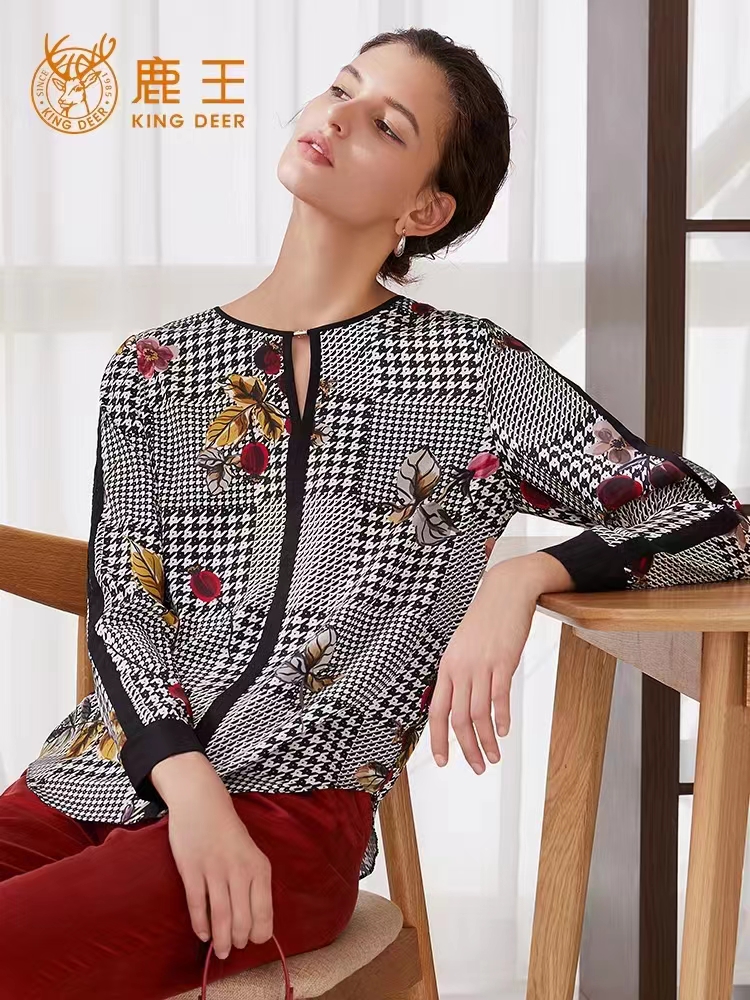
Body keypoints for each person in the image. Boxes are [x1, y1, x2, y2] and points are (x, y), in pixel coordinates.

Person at [2, 26, 748, 1000]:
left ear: (424, 209)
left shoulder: (475, 374)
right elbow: (126, 610)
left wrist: (525, 574)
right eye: (340, 89)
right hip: (90, 780)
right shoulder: (154, 369)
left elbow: (713, 518)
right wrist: (186, 787)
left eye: (387, 125)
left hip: (288, 813)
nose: (339, 116)